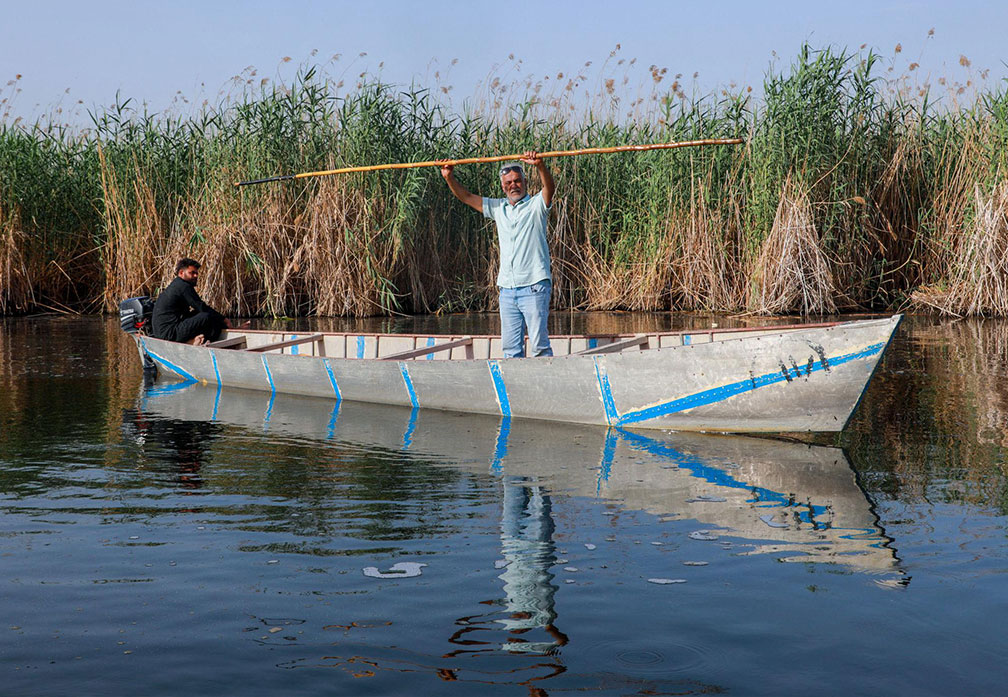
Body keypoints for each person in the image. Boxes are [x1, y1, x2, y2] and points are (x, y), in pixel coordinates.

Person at [440, 151, 556, 358]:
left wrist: (540, 165)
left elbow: (549, 189)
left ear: (525, 182)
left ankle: (545, 378)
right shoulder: (498, 208)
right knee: (510, 350)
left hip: (534, 286)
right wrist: (449, 177)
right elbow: (466, 197)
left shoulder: (536, 205)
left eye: (517, 181)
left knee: (540, 347)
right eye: (508, 183)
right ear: (503, 187)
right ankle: (514, 379)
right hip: (507, 290)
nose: (514, 185)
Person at [151, 258, 237, 345]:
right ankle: (201, 341)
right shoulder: (183, 286)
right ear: (181, 273)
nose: (195, 276)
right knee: (206, 316)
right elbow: (201, 307)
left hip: (163, 332)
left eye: (196, 273)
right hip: (169, 333)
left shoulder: (177, 284)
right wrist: (224, 320)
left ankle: (193, 340)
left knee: (200, 314)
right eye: (192, 273)